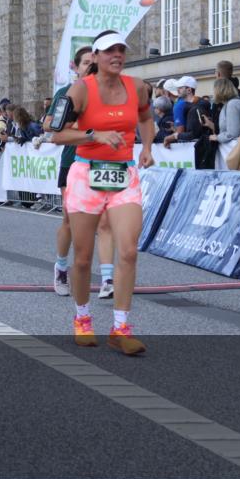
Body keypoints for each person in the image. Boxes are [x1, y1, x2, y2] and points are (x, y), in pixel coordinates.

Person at [49, 31, 154, 355]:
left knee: (129, 252)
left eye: (121, 50)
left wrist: (147, 146)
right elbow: (56, 135)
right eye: (110, 50)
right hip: (86, 174)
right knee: (82, 258)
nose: (117, 55)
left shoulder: (136, 86)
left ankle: (121, 328)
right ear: (95, 56)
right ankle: (82, 319)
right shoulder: (80, 90)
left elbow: (147, 117)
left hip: (123, 175)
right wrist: (94, 134)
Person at [41, 46, 116, 298]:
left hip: (101, 163)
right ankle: (61, 267)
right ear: (76, 66)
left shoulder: (108, 92)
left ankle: (107, 279)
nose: (90, 67)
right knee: (70, 220)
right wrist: (79, 127)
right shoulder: (66, 93)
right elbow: (48, 124)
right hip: (72, 163)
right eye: (85, 63)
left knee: (105, 221)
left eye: (92, 62)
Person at [201, 78, 240, 147]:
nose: (213, 93)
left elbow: (233, 133)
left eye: (214, 90)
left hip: (237, 148)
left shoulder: (232, 104)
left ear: (220, 91)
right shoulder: (232, 103)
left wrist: (217, 138)